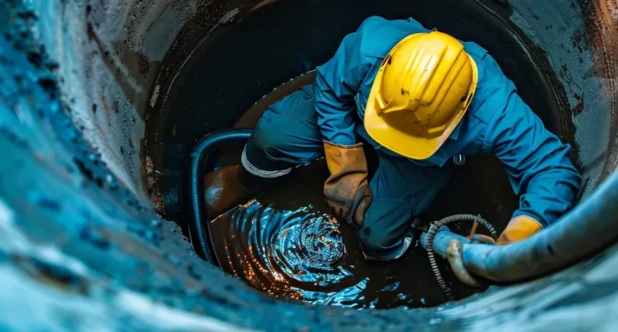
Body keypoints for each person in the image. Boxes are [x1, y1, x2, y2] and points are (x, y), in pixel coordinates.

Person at [204, 16, 581, 261]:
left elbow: (553, 169)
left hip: (421, 162)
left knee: (378, 234)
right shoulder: (373, 45)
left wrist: (513, 245)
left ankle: (403, 245)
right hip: (352, 121)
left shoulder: (496, 110)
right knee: (271, 136)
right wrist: (345, 165)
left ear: (462, 112)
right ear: (386, 70)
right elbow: (333, 92)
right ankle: (243, 180)